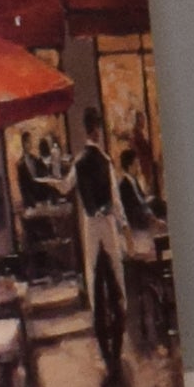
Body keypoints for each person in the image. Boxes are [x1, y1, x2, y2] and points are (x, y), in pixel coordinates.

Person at [74, 108, 128, 369]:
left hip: (91, 230)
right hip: (106, 227)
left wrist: (49, 181)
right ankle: (115, 353)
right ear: (96, 130)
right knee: (116, 284)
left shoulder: (79, 162)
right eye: (98, 127)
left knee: (95, 284)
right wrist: (124, 225)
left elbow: (65, 186)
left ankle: (108, 357)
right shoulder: (104, 160)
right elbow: (116, 201)